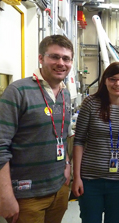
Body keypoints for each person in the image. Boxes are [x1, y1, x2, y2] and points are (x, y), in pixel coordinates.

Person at [0, 35, 73, 223]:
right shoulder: (18, 91)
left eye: (66, 58)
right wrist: (5, 195)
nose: (61, 63)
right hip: (27, 195)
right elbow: (1, 146)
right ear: (41, 58)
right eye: (54, 57)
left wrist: (66, 165)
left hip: (58, 189)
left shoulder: (65, 92)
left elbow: (62, 135)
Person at [72, 62, 119, 223]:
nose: (118, 84)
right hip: (90, 180)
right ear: (105, 80)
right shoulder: (91, 103)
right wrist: (76, 177)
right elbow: (79, 141)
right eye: (113, 79)